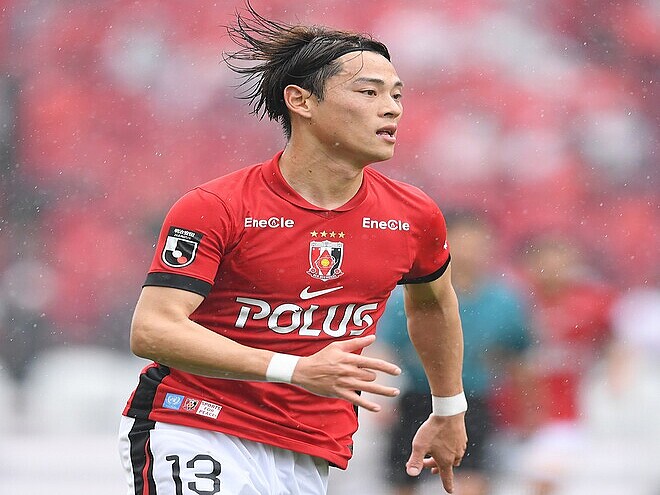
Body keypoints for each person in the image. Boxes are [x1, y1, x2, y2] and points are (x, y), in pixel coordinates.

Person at [118, 3, 467, 495]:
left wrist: (449, 408)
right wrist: (294, 370)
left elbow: (433, 306)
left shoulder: (413, 214)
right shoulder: (216, 206)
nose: (392, 108)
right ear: (300, 101)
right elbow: (153, 329)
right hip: (197, 422)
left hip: (308, 448)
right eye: (369, 92)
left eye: (396, 95)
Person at [378, 212, 531, 495]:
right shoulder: (412, 294)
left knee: (472, 481)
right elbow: (386, 349)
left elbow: (519, 358)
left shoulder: (505, 300)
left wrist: (528, 414)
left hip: (474, 402)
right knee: (406, 479)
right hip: (418, 399)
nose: (472, 251)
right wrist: (383, 397)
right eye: (465, 241)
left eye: (479, 243)